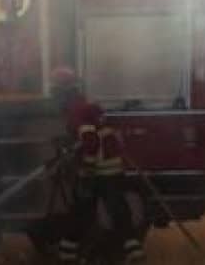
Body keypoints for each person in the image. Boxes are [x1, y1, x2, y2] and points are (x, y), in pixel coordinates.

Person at [50, 66, 145, 263]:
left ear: (64, 93)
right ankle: (133, 250)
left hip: (98, 170)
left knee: (82, 211)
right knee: (116, 209)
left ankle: (67, 254)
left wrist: (87, 170)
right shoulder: (88, 105)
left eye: (55, 93)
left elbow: (91, 142)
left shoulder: (76, 111)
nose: (55, 99)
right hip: (113, 166)